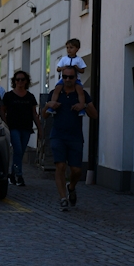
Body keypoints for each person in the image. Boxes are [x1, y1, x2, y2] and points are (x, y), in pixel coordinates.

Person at [42, 66, 98, 211]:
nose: (67, 80)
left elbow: (94, 115)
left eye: (70, 77)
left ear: (75, 78)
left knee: (76, 170)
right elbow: (44, 115)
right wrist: (49, 104)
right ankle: (63, 198)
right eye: (65, 77)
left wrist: (84, 105)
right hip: (58, 135)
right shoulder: (55, 93)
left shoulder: (82, 94)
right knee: (60, 166)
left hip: (75, 137)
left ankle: (71, 186)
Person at [1, 71, 43, 186]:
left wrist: (40, 128)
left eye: (22, 79)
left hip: (26, 128)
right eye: (18, 79)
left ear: (26, 81)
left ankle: (12, 175)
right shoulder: (9, 96)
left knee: (20, 152)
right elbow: (2, 110)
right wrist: (5, 124)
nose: (20, 82)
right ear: (14, 81)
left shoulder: (30, 97)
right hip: (13, 127)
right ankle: (19, 175)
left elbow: (34, 114)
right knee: (18, 150)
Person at [47, 38, 86, 116]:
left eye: (71, 48)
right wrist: (62, 68)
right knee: (57, 88)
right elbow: (58, 69)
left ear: (77, 49)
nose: (69, 50)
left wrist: (76, 67)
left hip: (76, 79)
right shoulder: (64, 59)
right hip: (63, 79)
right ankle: (52, 106)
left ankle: (82, 108)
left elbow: (82, 70)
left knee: (80, 90)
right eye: (67, 48)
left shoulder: (79, 59)